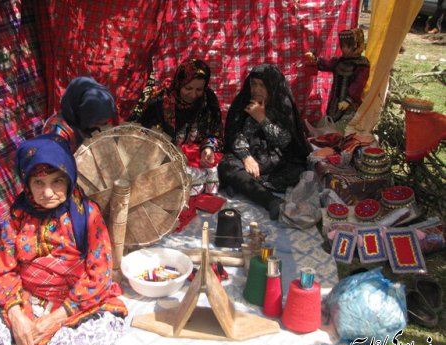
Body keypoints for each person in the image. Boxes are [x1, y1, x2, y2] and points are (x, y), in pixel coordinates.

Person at [0, 134, 128, 345]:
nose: (48, 192)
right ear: (27, 183)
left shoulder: (87, 215)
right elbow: (3, 268)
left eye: (57, 181)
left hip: (74, 304)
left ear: (69, 178)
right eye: (39, 183)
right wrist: (16, 315)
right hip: (26, 299)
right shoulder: (18, 214)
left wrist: (55, 319)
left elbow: (99, 275)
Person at [218, 64, 311, 220]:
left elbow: (286, 141)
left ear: (272, 86)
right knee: (227, 165)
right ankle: (270, 201)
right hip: (251, 158)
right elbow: (234, 134)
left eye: (262, 85)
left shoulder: (282, 103)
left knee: (299, 172)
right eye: (254, 84)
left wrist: (261, 118)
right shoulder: (243, 101)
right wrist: (246, 156)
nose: (256, 89)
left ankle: (244, 184)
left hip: (276, 158)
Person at [136, 58, 224, 196]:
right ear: (179, 83)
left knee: (224, 168)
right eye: (188, 88)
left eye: (199, 89)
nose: (193, 95)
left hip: (197, 158)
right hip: (165, 158)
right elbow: (144, 137)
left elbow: (214, 132)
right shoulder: (160, 103)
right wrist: (172, 154)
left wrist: (208, 148)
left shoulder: (208, 100)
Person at [305, 28, 370, 133]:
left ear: (356, 45)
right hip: (335, 101)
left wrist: (349, 100)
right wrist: (315, 60)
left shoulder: (362, 64)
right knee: (329, 122)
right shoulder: (339, 61)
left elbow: (358, 84)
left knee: (343, 128)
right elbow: (327, 64)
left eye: (347, 46)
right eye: (342, 46)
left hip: (350, 105)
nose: (344, 49)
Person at [43, 76, 118, 153]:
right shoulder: (56, 132)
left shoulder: (85, 124)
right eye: (96, 123)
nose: (99, 127)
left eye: (104, 123)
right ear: (83, 113)